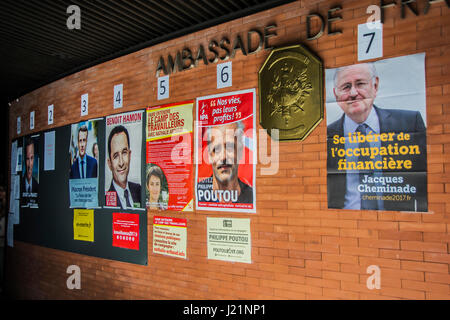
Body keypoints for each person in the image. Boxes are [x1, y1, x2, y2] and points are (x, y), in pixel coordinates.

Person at [327, 62, 426, 210]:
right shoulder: (327, 135)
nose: (353, 93)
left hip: (397, 221)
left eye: (360, 83)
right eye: (346, 87)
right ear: (336, 94)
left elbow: (426, 181)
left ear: (375, 86)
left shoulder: (409, 123)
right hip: (345, 221)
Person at [197, 121, 253, 204]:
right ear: (209, 156)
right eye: (216, 149)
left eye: (230, 147)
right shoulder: (195, 196)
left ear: (240, 152)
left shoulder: (252, 198)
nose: (223, 157)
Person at [106, 125, 141, 209]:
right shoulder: (105, 201)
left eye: (124, 152)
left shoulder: (139, 190)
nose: (121, 163)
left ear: (130, 155)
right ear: (109, 163)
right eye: (115, 156)